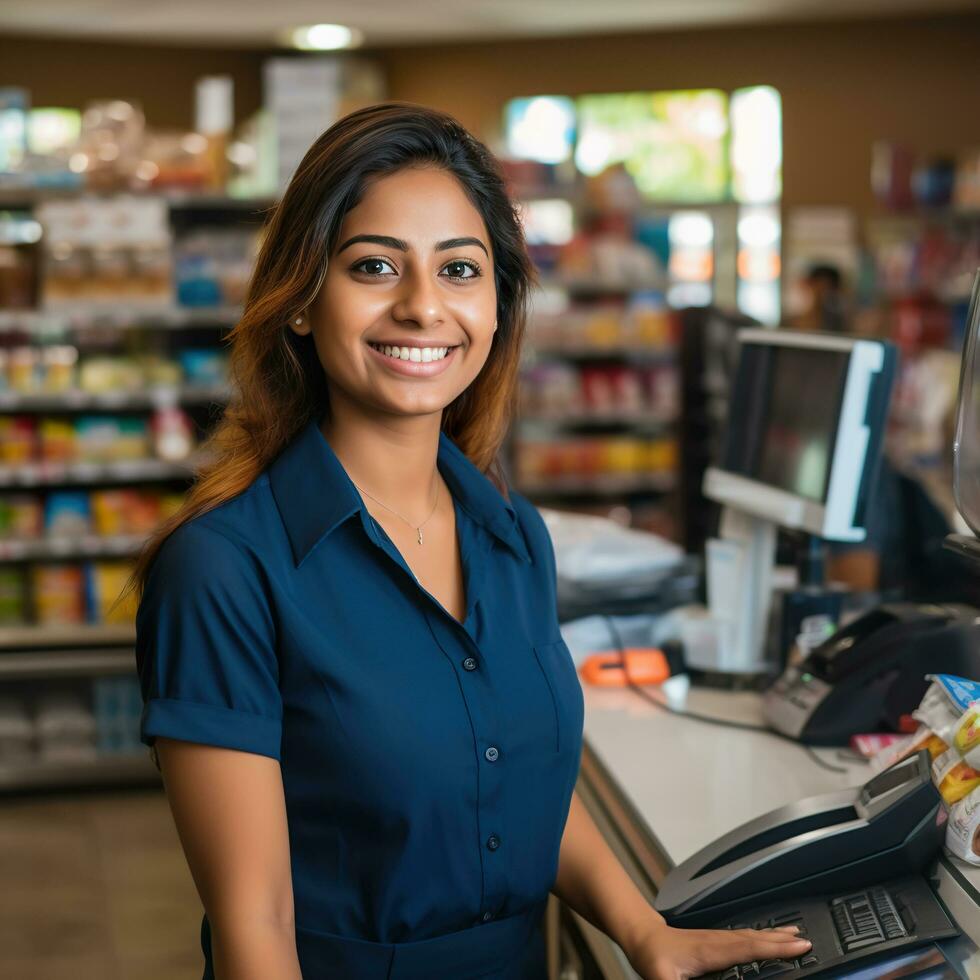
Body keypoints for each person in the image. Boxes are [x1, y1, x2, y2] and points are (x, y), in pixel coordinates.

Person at [120, 103, 812, 980]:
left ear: (495, 305)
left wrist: (644, 931)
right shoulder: (223, 570)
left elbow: (516, 782)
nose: (422, 308)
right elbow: (255, 922)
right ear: (300, 301)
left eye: (459, 269)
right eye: (374, 266)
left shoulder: (510, 533)